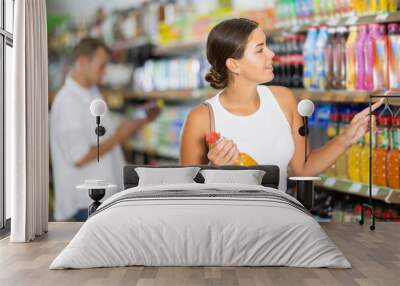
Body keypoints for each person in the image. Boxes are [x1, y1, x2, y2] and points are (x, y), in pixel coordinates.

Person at [179, 18, 382, 191]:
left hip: (279, 223)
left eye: (266, 45)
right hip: (229, 229)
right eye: (260, 50)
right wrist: (215, 172)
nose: (271, 54)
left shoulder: (283, 99)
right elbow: (186, 193)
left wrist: (348, 137)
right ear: (234, 64)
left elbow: (303, 168)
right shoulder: (202, 117)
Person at [50, 38, 160, 221]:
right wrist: (121, 134)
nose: (105, 72)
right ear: (83, 62)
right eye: (101, 66)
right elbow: (81, 156)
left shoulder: (92, 93)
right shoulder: (68, 102)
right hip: (84, 205)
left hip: (103, 199)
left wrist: (135, 121)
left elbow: (102, 136)